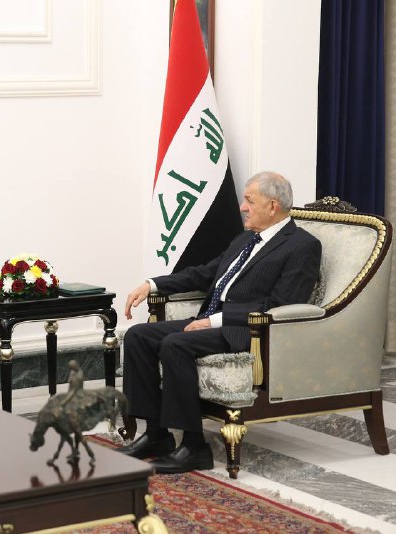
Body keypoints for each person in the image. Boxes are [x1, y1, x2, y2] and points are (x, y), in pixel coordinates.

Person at [117, 171, 321, 473]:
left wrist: (216, 320)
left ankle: (194, 447)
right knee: (138, 336)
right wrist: (153, 284)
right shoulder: (246, 238)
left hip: (247, 330)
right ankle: (157, 435)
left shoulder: (302, 245)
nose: (242, 207)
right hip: (212, 320)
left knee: (175, 344)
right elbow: (204, 273)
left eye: (249, 201)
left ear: (272, 206)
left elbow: (280, 305)